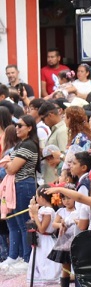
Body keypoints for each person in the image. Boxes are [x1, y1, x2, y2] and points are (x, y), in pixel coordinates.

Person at [3, 115, 40, 268]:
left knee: (24, 222)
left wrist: (6, 163)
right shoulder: (21, 144)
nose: (17, 128)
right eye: (16, 125)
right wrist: (8, 162)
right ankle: (15, 256)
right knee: (15, 222)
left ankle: (27, 259)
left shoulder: (28, 145)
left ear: (30, 128)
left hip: (24, 185)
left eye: (21, 125)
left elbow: (11, 168)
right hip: (16, 186)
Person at [48, 185, 79, 287]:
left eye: (69, 198)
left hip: (76, 241)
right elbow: (54, 224)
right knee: (65, 269)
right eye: (64, 198)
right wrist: (60, 224)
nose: (66, 201)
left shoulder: (79, 210)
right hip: (65, 242)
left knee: (78, 269)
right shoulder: (61, 211)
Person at [26, 185, 61, 286]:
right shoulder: (43, 209)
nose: (36, 199)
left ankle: (48, 277)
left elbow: (41, 229)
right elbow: (33, 218)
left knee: (45, 261)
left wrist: (36, 214)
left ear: (41, 198)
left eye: (37, 196)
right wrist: (32, 208)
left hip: (46, 239)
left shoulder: (48, 211)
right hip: (41, 240)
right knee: (39, 260)